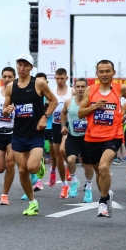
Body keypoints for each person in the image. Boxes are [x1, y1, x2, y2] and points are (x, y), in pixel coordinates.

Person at [78, 59, 126, 218]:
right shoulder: (90, 91)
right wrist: (94, 107)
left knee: (104, 168)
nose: (104, 74)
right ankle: (106, 195)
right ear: (97, 74)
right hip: (92, 138)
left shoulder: (120, 89)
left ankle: (103, 202)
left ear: (113, 73)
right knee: (99, 173)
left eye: (107, 71)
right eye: (101, 71)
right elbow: (80, 113)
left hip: (113, 136)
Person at [4, 53, 57, 215]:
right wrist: (7, 110)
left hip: (35, 133)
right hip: (19, 133)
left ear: (31, 67)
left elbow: (53, 101)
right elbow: (5, 111)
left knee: (32, 168)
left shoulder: (38, 83)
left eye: (25, 65)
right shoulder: (11, 86)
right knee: (22, 170)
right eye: (19, 64)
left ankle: (39, 162)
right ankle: (32, 202)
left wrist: (44, 117)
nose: (22, 68)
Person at [60, 78, 94, 202]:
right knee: (70, 159)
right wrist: (63, 125)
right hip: (73, 137)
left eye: (82, 87)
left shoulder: (91, 102)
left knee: (87, 164)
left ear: (87, 88)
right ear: (74, 88)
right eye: (78, 86)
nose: (80, 89)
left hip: (88, 138)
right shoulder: (69, 102)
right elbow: (63, 113)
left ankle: (89, 188)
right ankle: (74, 181)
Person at [0, 67, 16, 205]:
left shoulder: (18, 93)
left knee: (11, 163)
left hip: (13, 132)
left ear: (14, 78)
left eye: (10, 77)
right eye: (5, 76)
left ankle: (5, 194)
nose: (7, 79)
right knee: (0, 168)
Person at [49, 68, 72, 197]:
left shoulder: (72, 91)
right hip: (56, 125)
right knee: (58, 156)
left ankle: (70, 168)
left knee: (64, 151)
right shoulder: (52, 92)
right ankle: (64, 185)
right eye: (57, 78)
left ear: (66, 78)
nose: (59, 81)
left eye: (62, 78)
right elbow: (48, 106)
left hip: (69, 125)